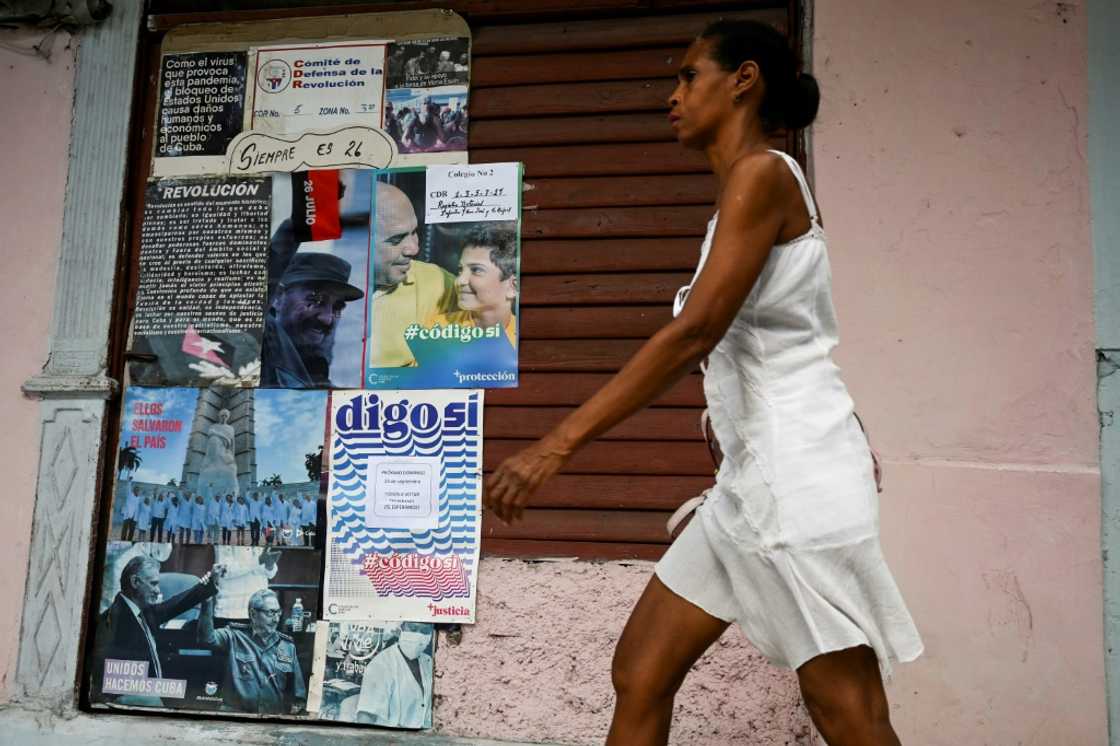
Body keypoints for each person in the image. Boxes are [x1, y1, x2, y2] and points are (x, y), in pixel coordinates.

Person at [483, 20, 923, 746]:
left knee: (847, 708)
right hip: (751, 489)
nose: (673, 95)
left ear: (743, 79)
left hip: (794, 485)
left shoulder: (763, 175)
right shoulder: (741, 197)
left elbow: (696, 333)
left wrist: (554, 447)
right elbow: (784, 341)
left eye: (689, 76)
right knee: (642, 670)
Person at [93, 555, 220, 706]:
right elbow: (105, 684)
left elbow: (176, 604)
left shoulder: (141, 610)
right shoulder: (111, 622)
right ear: (135, 582)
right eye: (153, 584)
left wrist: (208, 585)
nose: (158, 591)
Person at [369, 182, 457, 367]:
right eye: (395, 239)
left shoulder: (439, 283)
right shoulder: (311, 292)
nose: (414, 249)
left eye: (414, 232)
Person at [261, 252, 365, 388]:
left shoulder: (315, 368)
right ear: (277, 297)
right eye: (316, 300)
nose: (327, 319)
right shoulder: (257, 356)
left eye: (336, 307)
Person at [197, 588, 306, 714]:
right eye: (270, 613)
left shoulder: (287, 646)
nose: (276, 619)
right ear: (253, 614)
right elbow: (206, 639)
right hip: (235, 717)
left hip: (271, 720)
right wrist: (207, 601)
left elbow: (299, 697)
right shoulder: (234, 637)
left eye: (278, 613)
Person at [426, 223, 518, 348]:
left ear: (513, 287)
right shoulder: (437, 331)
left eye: (476, 270)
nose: (459, 281)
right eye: (460, 270)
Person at [354, 622, 432, 728]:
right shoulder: (381, 664)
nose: (418, 635)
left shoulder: (428, 662)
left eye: (425, 631)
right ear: (401, 628)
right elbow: (366, 716)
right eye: (413, 628)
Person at [212, 545, 281, 618]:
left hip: (259, 613)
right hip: (231, 613)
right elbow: (223, 571)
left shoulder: (259, 537)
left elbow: (269, 574)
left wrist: (270, 566)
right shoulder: (225, 538)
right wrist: (258, 561)